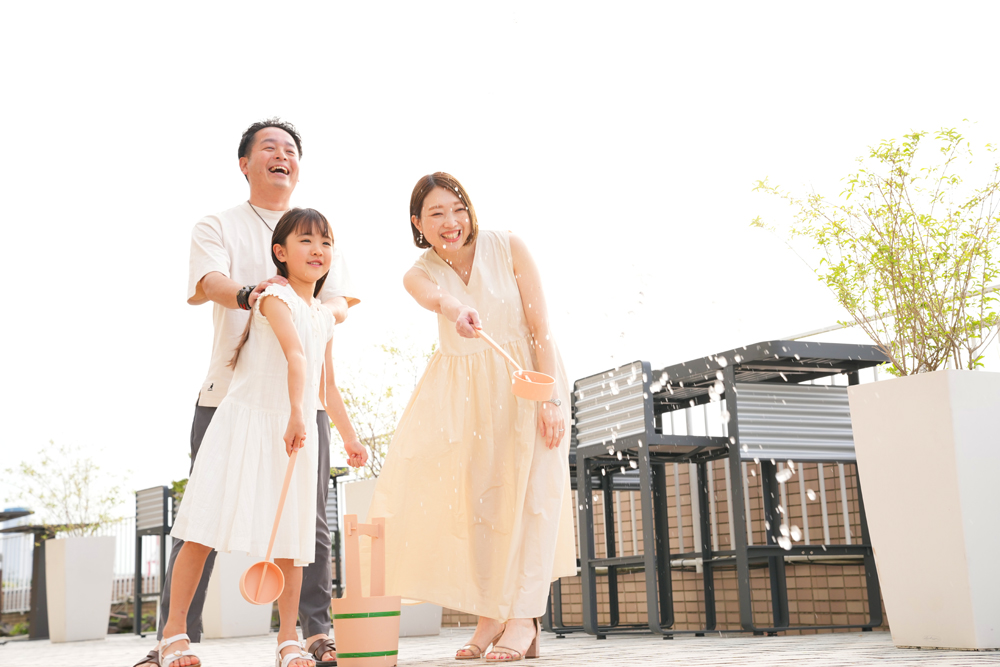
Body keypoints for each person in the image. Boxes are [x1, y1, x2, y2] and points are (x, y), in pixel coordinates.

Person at [134, 119, 357, 667]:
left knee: (308, 528)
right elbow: (209, 282)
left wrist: (346, 429)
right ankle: (176, 637)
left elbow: (338, 307)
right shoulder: (219, 225)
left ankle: (308, 635)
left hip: (299, 410)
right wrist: (251, 291)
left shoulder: (318, 233)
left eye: (291, 150)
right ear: (245, 163)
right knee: (201, 521)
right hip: (231, 397)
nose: (282, 157)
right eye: (269, 148)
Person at [367, 172, 577, 662]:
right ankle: (491, 615)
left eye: (457, 208)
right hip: (466, 395)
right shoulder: (418, 271)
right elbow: (436, 299)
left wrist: (548, 398)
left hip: (528, 380)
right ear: (418, 223)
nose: (451, 221)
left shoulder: (508, 246)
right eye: (436, 214)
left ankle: (522, 619)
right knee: (483, 506)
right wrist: (457, 308)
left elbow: (540, 323)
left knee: (532, 500)